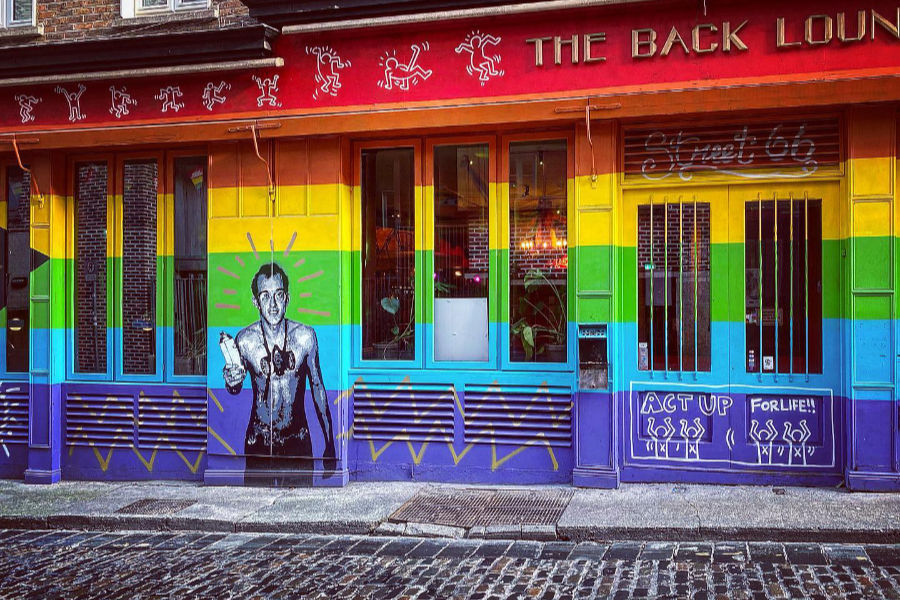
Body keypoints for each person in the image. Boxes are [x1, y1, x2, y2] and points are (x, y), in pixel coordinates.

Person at [222, 262, 336, 482]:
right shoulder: (245, 340)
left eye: (278, 295)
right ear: (256, 301)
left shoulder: (305, 337)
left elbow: (317, 388)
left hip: (297, 441)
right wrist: (230, 380)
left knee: (301, 511)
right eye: (265, 296)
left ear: (287, 298)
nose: (272, 304)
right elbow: (234, 384)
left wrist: (329, 442)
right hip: (259, 442)